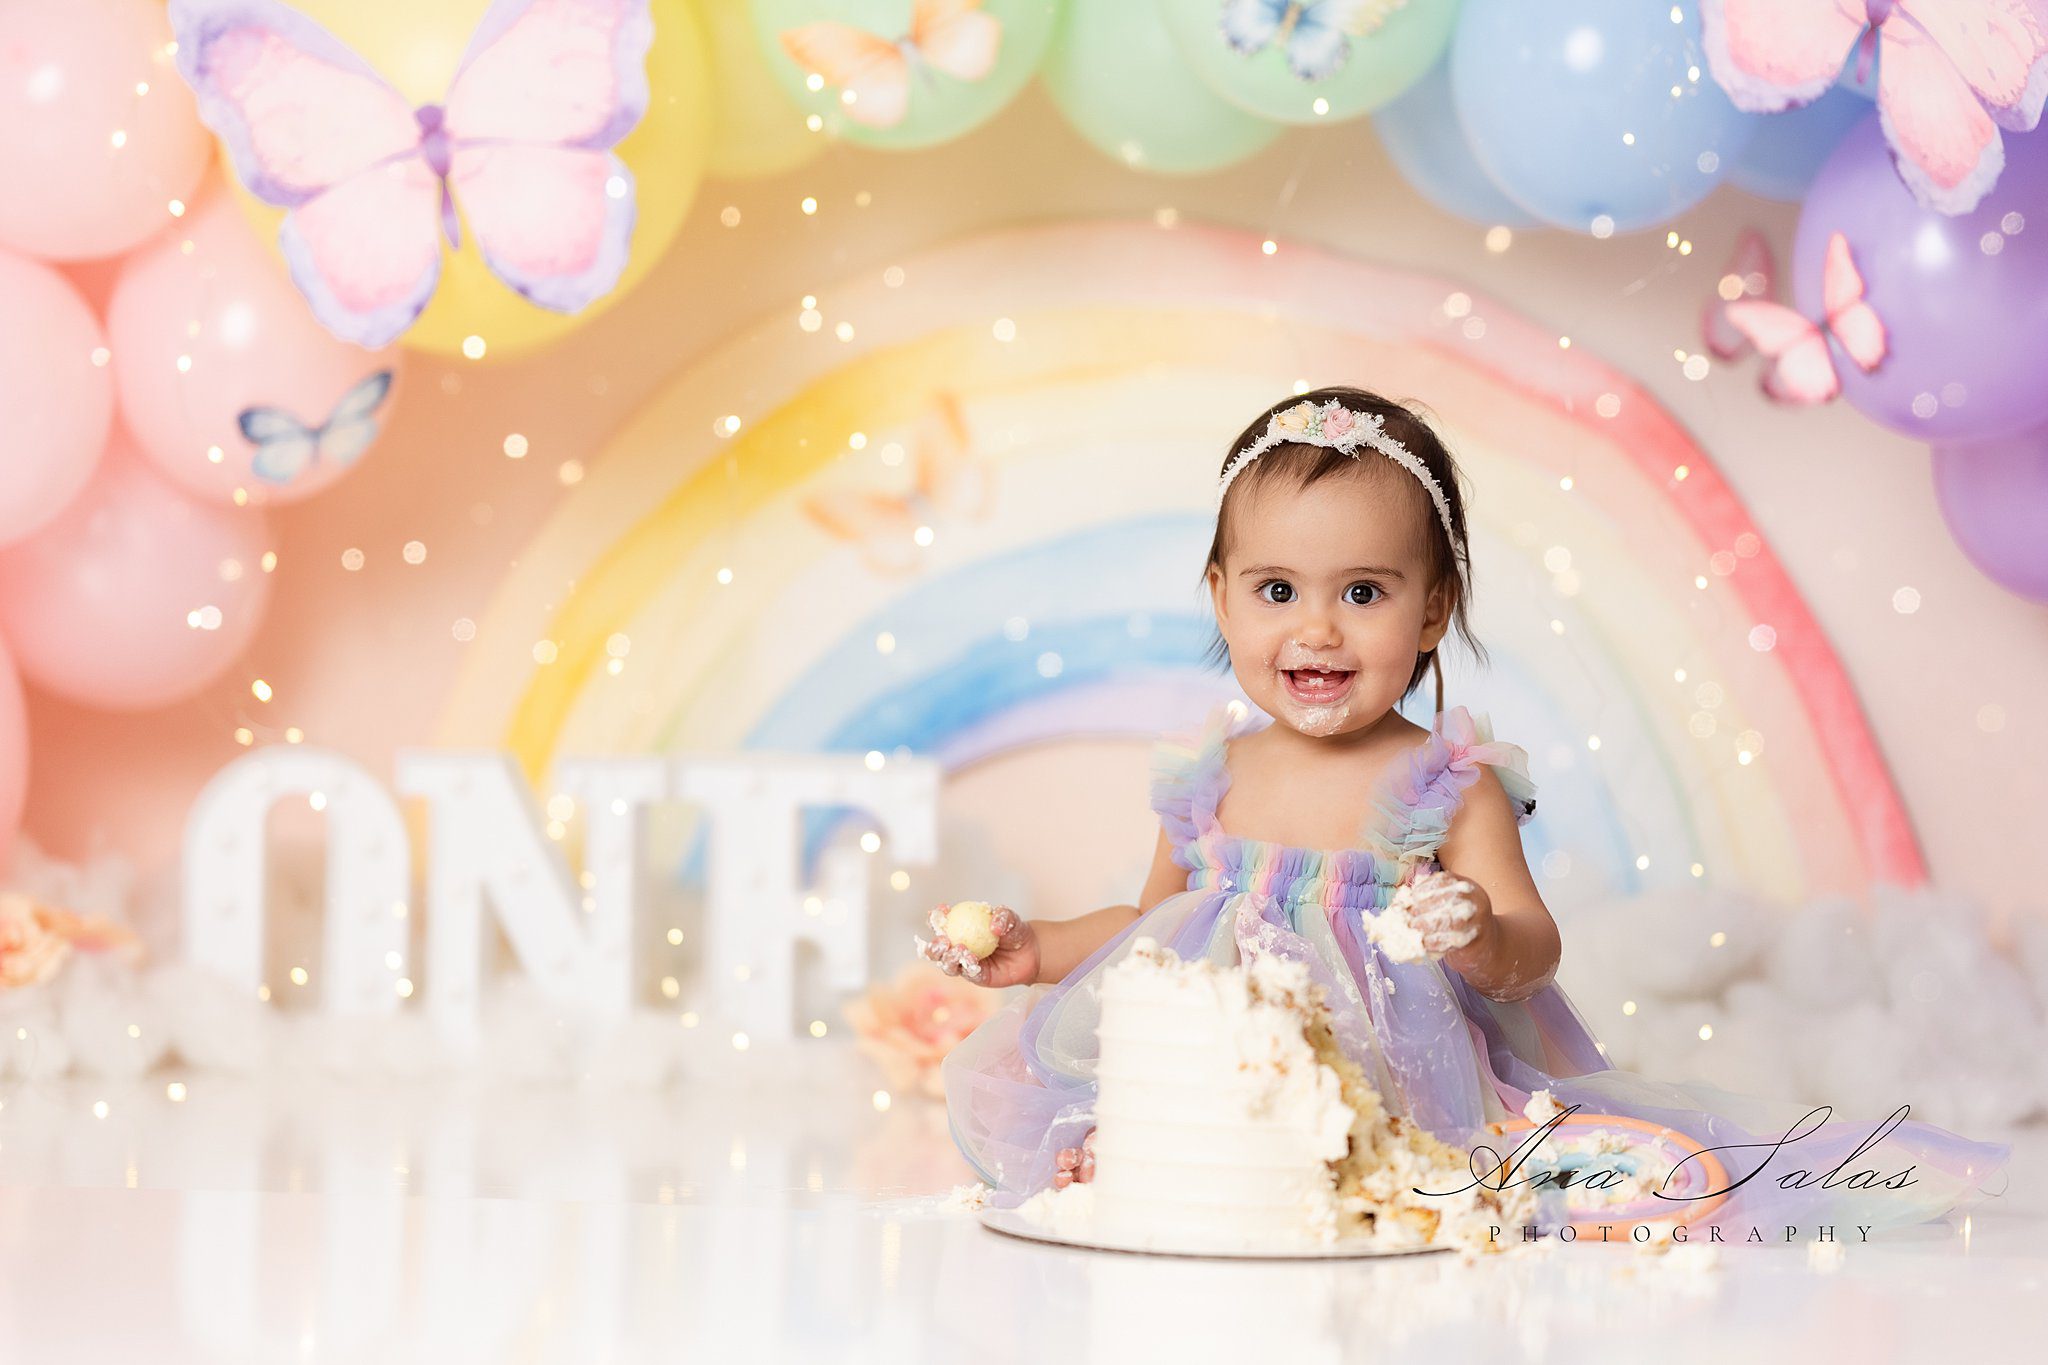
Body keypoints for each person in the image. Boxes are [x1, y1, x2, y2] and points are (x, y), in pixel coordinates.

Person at [921, 385, 2010, 1238]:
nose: (1317, 630)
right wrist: (1037, 948)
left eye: (1362, 592)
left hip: (1394, 1085)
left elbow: (1529, 948)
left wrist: (1474, 930)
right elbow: (1143, 936)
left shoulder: (1444, 784)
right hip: (1220, 1104)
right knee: (1137, 1158)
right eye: (1275, 590)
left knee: (1482, 1172)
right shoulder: (1206, 777)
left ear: (1431, 608)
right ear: (1218, 593)